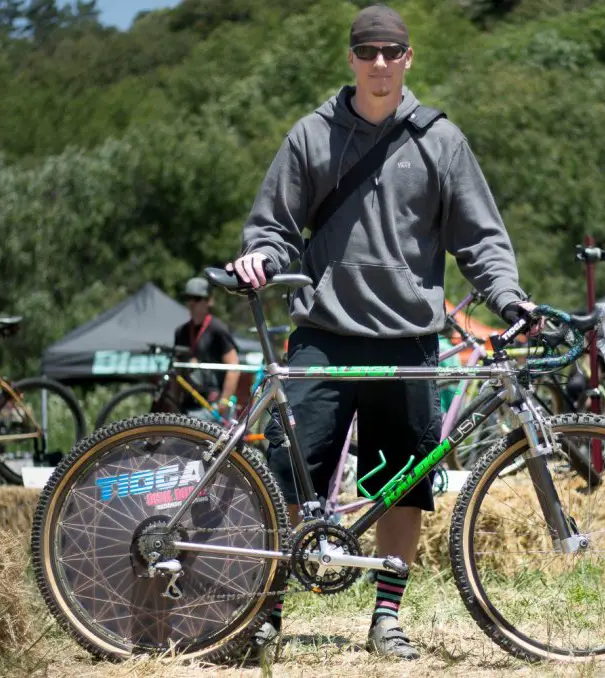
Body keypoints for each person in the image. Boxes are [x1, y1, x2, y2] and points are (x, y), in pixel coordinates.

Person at [229, 4, 539, 660]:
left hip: (408, 341)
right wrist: (261, 254)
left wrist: (508, 297)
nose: (378, 64)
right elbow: (274, 227)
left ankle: (386, 620)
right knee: (287, 481)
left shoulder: (440, 140)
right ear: (351, 59)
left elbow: (481, 239)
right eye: (367, 51)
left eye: (390, 52)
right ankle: (267, 614)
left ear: (408, 59)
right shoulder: (312, 136)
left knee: (402, 486)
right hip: (324, 332)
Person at [174, 277, 240, 419]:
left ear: (209, 301)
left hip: (213, 405)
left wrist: (224, 401)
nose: (192, 303)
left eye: (197, 298)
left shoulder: (218, 330)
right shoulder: (181, 332)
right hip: (189, 404)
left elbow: (234, 366)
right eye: (188, 298)